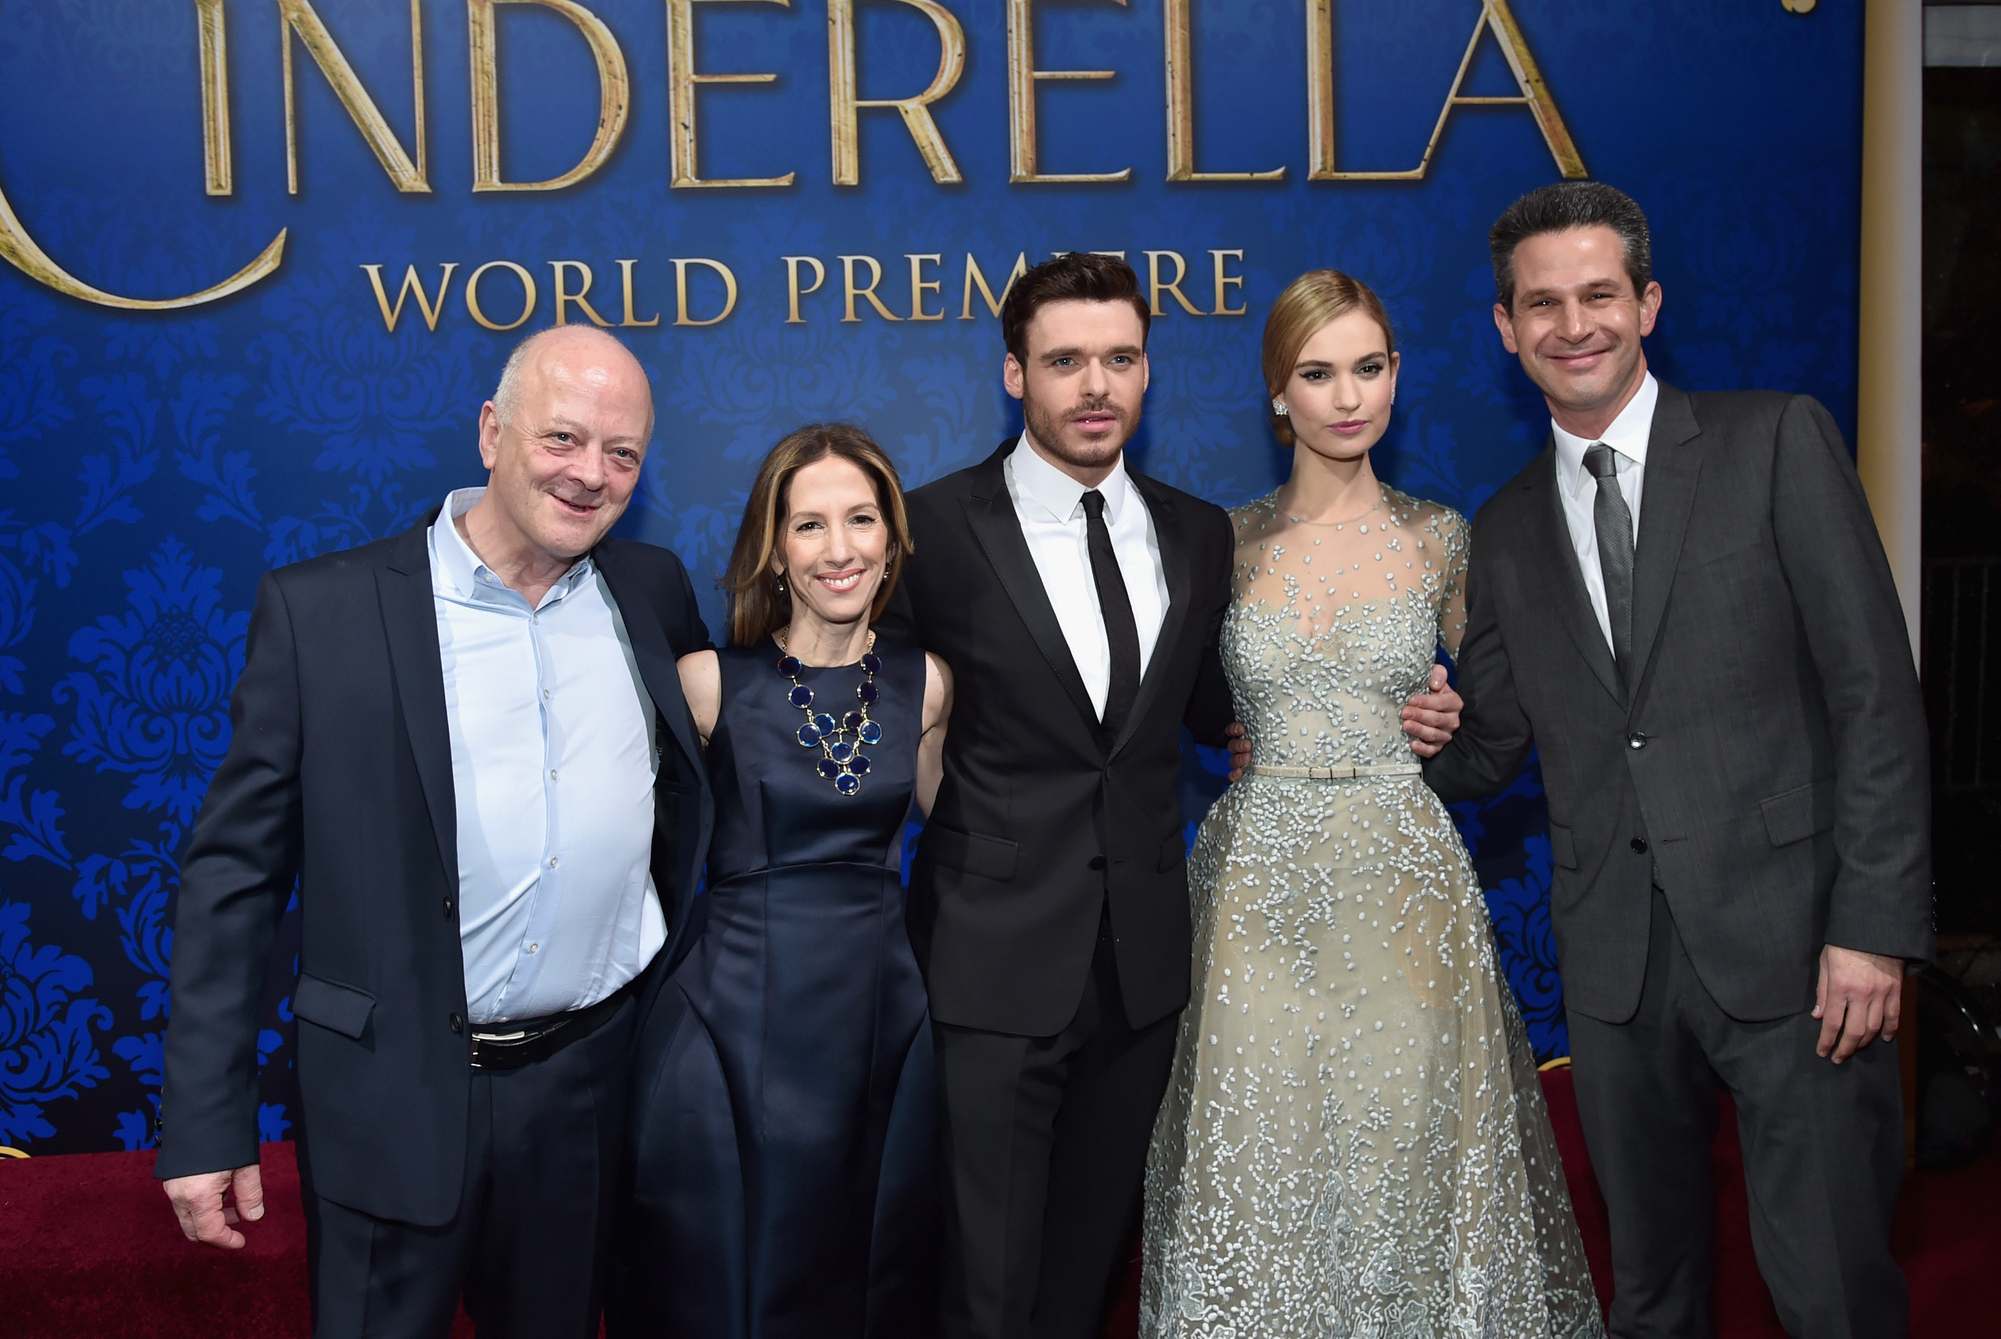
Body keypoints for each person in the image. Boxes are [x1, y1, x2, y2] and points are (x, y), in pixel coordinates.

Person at [877, 253, 1462, 1339]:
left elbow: (1222, 713)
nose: (1094, 385)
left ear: (1148, 372)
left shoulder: (1197, 534)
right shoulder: (929, 532)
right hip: (991, 960)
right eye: (1064, 361)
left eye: (1119, 358)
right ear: (1014, 375)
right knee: (983, 1284)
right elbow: (877, 719)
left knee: (1082, 1272)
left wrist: (1408, 709)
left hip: (1147, 970)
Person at [1423, 182, 1932, 1339]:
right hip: (1612, 971)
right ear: (1504, 329)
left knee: (1831, 1290)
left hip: (1800, 949)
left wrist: (1873, 926)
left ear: (1645, 303)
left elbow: (1874, 699)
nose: (1572, 325)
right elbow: (1493, 746)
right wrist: (1369, 732)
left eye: (1597, 294)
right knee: (1651, 1295)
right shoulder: (1500, 528)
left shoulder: (1774, 441)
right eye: (1539, 304)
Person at [155, 326, 714, 1338]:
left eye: (621, 454)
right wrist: (202, 1120)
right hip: (388, 1094)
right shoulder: (321, 613)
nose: (590, 474)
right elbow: (232, 877)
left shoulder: (652, 593)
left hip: (586, 1092)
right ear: (492, 433)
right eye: (562, 438)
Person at [1138, 269, 1602, 1338]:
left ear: (1395, 377)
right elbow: (1164, 700)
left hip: (1403, 887)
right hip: (1256, 888)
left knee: (1409, 1161)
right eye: (1316, 373)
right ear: (1275, 395)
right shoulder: (1222, 542)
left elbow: (1508, 710)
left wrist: (1447, 721)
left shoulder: (1443, 537)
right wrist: (1220, 732)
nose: (1345, 397)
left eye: (1366, 368)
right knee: (1261, 1166)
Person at [617, 424, 952, 1338]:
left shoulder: (927, 686)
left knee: (869, 1281)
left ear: (891, 539)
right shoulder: (705, 684)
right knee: (727, 1285)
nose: (839, 549)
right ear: (773, 547)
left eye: (861, 520)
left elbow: (969, 830)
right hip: (726, 1023)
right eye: (809, 526)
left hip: (880, 1026)